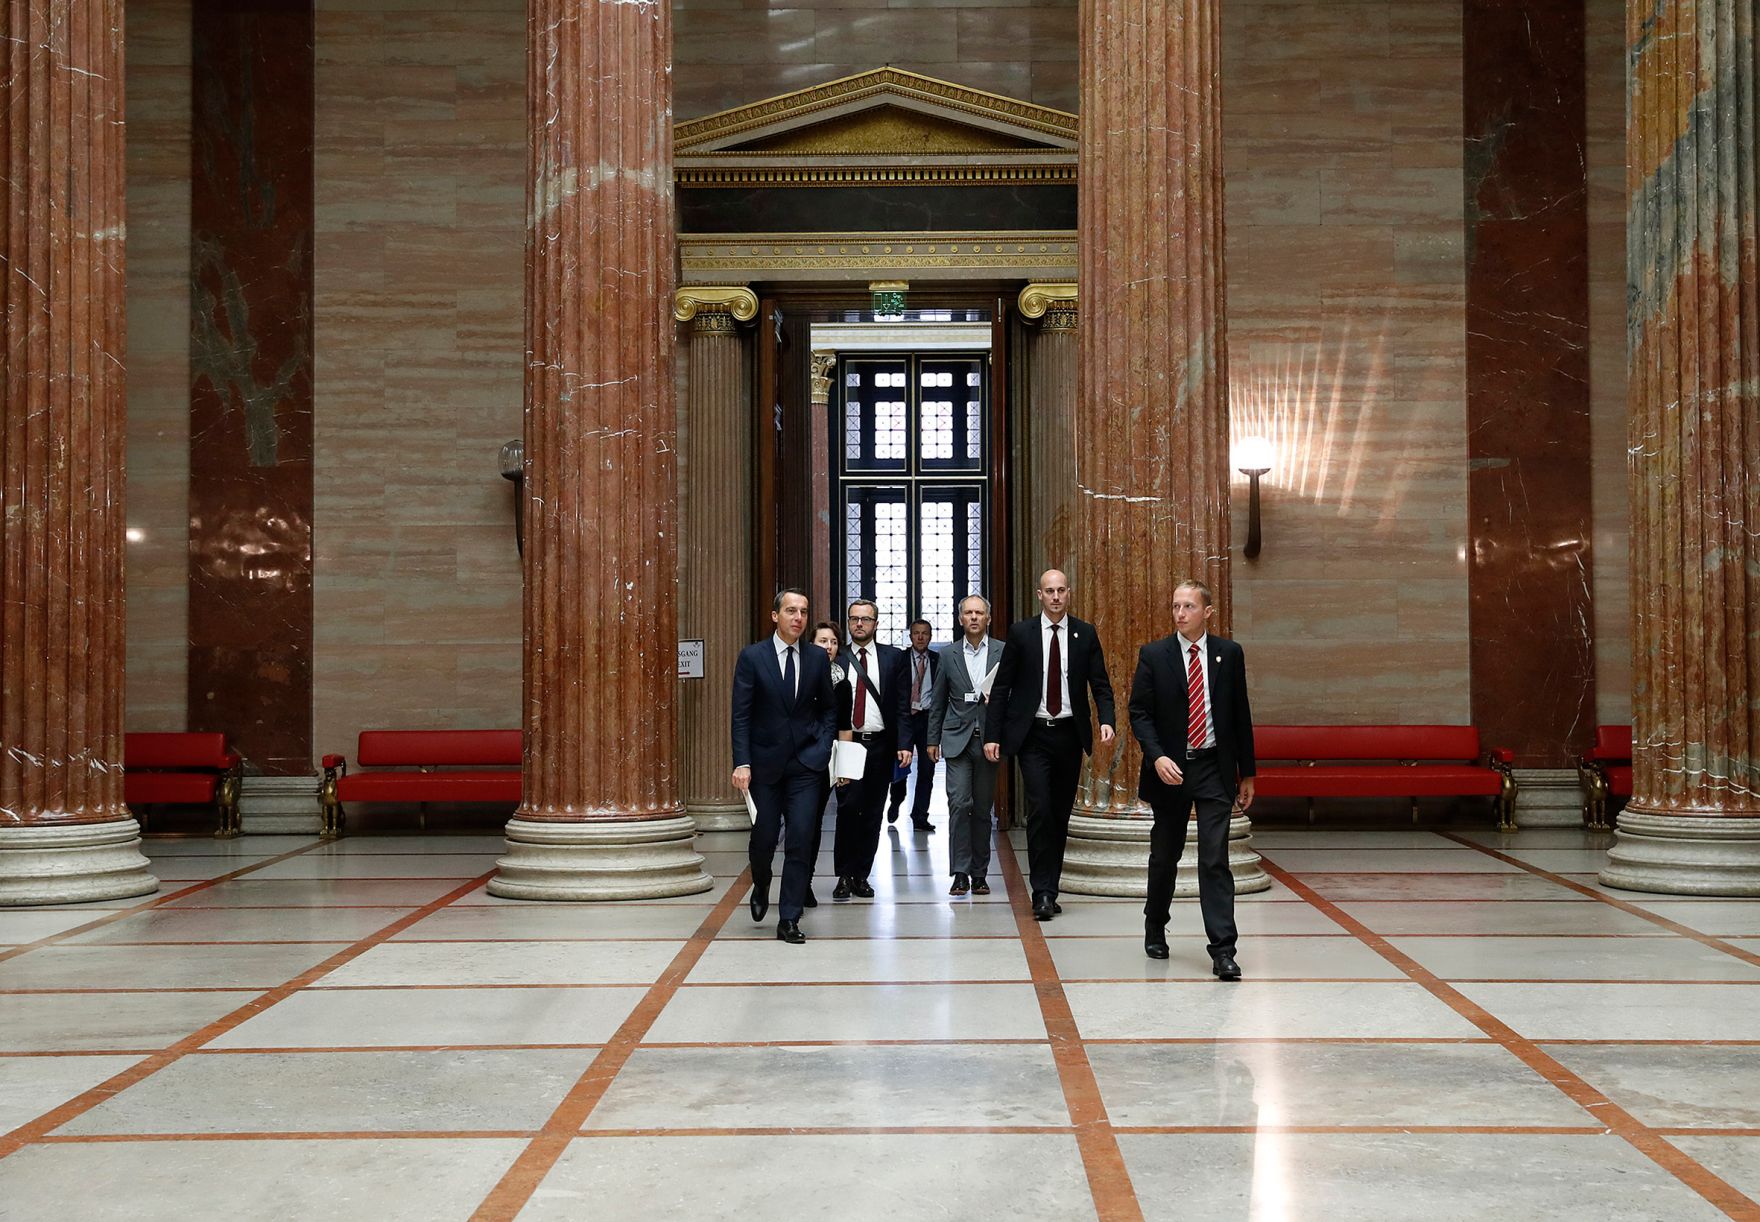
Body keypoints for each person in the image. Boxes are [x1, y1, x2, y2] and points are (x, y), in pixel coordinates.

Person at [1128, 579, 1255, 980]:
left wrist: (1247, 773)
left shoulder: (1228, 655)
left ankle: (1223, 950)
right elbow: (1139, 713)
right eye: (1175, 606)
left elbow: (1240, 715)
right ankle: (1155, 923)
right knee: (1166, 854)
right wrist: (1158, 755)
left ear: (1207, 612)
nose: (1180, 613)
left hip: (1214, 768)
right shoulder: (1154, 654)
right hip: (1171, 769)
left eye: (1188, 606)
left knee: (1214, 858)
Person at [984, 569, 1116, 921]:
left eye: (1061, 590)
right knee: (1040, 809)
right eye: (1049, 591)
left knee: (1059, 814)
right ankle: (1041, 892)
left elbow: (1100, 682)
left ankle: (1050, 888)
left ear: (1068, 593)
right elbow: (1001, 688)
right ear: (1038, 595)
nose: (1055, 596)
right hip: (1033, 735)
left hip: (1070, 735)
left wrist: (1107, 719)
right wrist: (993, 735)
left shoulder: (1084, 634)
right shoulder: (1021, 633)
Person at [730, 589, 837, 945]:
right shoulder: (752, 657)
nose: (799, 618)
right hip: (764, 766)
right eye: (791, 610)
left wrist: (822, 747)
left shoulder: (817, 659)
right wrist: (742, 762)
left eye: (804, 611)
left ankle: (789, 917)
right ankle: (761, 882)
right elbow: (741, 715)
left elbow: (828, 709)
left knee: (801, 838)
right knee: (763, 838)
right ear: (775, 616)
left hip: (807, 765)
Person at [831, 598, 912, 900]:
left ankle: (861, 875)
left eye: (866, 619)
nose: (860, 624)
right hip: (848, 745)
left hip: (880, 745)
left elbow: (903, 705)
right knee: (847, 810)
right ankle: (843, 875)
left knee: (873, 813)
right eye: (854, 619)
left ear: (876, 624)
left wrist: (905, 744)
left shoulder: (894, 658)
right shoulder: (836, 660)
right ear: (849, 623)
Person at [927, 595, 1004, 895]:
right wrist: (932, 740)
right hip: (956, 738)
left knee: (983, 809)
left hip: (988, 740)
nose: (974, 617)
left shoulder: (1002, 651)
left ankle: (980, 873)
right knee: (959, 804)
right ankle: (959, 872)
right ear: (960, 619)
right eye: (968, 613)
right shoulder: (947, 655)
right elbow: (938, 700)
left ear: (988, 618)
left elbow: (1012, 695)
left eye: (979, 613)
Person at [888, 618, 940, 832]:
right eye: (916, 633)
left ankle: (920, 815)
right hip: (905, 718)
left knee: (927, 770)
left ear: (930, 636)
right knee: (901, 766)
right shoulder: (899, 659)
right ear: (910, 636)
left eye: (925, 633)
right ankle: (896, 800)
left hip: (928, 719)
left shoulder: (938, 660)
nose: (920, 637)